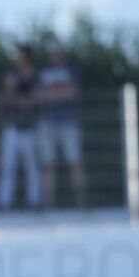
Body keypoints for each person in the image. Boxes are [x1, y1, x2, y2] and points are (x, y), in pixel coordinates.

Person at [36, 39, 85, 208]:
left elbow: (72, 93)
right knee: (47, 163)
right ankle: (48, 204)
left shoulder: (71, 68)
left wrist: (51, 94)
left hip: (69, 122)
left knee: (75, 161)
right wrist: (60, 92)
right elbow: (38, 95)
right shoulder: (42, 70)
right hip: (47, 122)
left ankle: (81, 201)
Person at [0, 44, 41, 210]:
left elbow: (37, 99)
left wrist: (26, 101)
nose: (16, 59)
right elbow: (6, 98)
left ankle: (34, 202)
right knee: (7, 167)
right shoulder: (11, 76)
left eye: (19, 56)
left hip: (31, 127)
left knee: (32, 167)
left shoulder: (37, 75)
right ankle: (4, 203)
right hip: (12, 127)